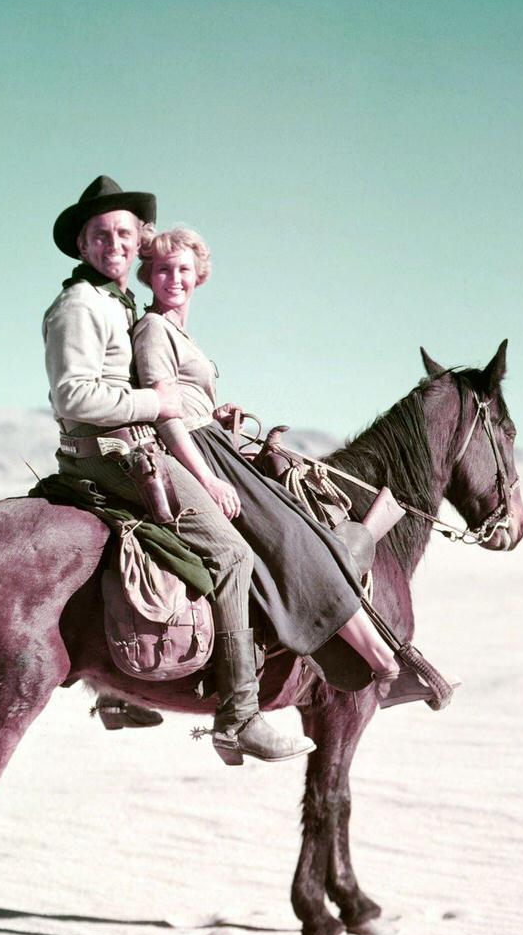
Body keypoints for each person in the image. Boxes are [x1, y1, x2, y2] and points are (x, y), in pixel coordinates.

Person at [43, 177, 316, 763]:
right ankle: (239, 716)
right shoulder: (79, 305)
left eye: (123, 232)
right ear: (83, 245)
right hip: (112, 455)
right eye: (99, 235)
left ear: (137, 239)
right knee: (233, 554)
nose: (113, 243)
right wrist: (159, 405)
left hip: (131, 446)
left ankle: (116, 687)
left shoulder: (117, 303)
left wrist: (199, 408)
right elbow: (73, 396)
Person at [131, 225, 433, 696]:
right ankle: (385, 664)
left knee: (302, 523)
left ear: (199, 276)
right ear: (148, 275)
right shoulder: (153, 329)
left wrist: (216, 412)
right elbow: (166, 415)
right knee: (293, 538)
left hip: (211, 439)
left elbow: (186, 400)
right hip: (196, 453)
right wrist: (207, 479)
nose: (174, 278)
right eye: (163, 270)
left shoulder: (177, 332)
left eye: (184, 269)